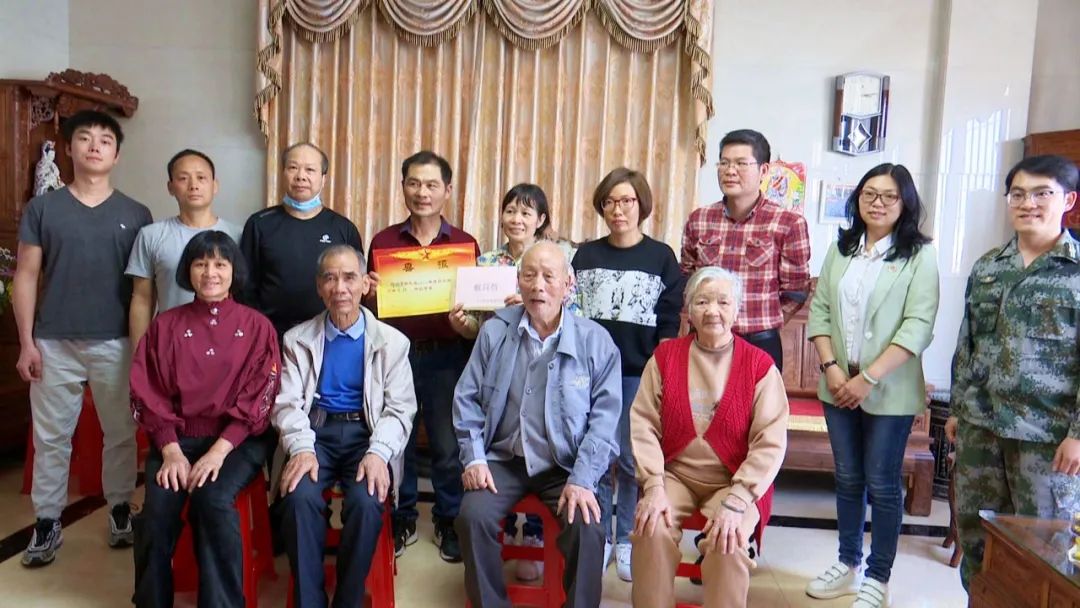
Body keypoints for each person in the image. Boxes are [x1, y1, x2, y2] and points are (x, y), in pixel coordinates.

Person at [14, 109, 153, 567]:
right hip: (53, 340)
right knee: (52, 437)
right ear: (69, 148)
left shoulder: (136, 213)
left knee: (121, 432)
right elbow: (26, 276)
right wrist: (27, 342)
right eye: (85, 138)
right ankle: (47, 521)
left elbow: (143, 289)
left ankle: (119, 509)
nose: (95, 146)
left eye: (105, 140)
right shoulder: (43, 209)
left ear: (116, 155)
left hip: (116, 342)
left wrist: (142, 348)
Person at [453, 241, 621, 607]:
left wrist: (583, 478)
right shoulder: (495, 331)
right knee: (472, 517)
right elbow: (466, 398)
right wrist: (474, 458)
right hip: (504, 459)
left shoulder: (596, 341)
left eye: (548, 276)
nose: (538, 286)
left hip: (565, 465)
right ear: (518, 281)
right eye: (529, 275)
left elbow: (606, 422)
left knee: (588, 527)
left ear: (568, 285)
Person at [804, 164, 940, 608]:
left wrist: (868, 378)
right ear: (857, 198)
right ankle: (848, 564)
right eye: (869, 193)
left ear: (905, 203)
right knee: (847, 478)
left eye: (889, 195)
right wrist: (832, 368)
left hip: (889, 388)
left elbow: (917, 327)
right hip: (838, 383)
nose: (877, 202)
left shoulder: (919, 256)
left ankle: (878, 578)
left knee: (881, 482)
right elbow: (820, 310)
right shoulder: (841, 249)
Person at [947, 154, 1080, 590]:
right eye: (1018, 194)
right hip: (981, 427)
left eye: (1042, 193)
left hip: (1047, 438)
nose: (1028, 203)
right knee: (976, 535)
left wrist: (1078, 435)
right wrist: (958, 409)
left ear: (1068, 200)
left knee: (1042, 547)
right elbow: (967, 344)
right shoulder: (989, 267)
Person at [130, 231, 280, 607]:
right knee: (156, 512)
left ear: (234, 270)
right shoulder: (164, 326)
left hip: (237, 442)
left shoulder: (257, 327)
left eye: (219, 264)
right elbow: (148, 390)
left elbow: (259, 397)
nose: (210, 273)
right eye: (200, 263)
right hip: (175, 439)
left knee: (211, 500)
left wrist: (216, 453)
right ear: (188, 271)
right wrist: (171, 451)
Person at [630, 266, 788, 608]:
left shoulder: (759, 366)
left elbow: (771, 441)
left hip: (734, 481)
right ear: (689, 310)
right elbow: (643, 423)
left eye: (722, 302)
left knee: (728, 540)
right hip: (675, 475)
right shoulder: (665, 357)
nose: (712, 311)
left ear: (736, 309)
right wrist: (653, 485)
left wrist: (738, 500)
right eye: (702, 302)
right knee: (650, 527)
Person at [272, 245, 417, 608]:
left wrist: (379, 452)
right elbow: (286, 403)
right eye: (330, 278)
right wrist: (301, 447)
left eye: (350, 277)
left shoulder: (393, 343)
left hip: (367, 435)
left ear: (366, 284)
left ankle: (348, 600)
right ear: (319, 287)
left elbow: (400, 409)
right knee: (298, 498)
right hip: (314, 434)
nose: (340, 288)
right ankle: (310, 601)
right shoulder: (297, 339)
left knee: (367, 501)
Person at [453, 182, 578, 581]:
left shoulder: (560, 259)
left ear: (541, 219)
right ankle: (509, 541)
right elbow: (476, 326)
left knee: (540, 441)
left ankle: (534, 544)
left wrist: (530, 304)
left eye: (526, 212)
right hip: (496, 365)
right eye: (510, 210)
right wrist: (462, 323)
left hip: (548, 365)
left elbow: (574, 317)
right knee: (503, 446)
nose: (516, 219)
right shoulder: (487, 261)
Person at [366, 150, 480, 561]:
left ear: (447, 190)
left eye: (432, 185)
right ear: (403, 188)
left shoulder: (465, 244)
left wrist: (465, 321)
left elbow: (477, 314)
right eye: (414, 183)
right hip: (394, 358)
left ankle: (448, 518)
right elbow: (371, 312)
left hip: (448, 357)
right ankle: (403, 516)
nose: (422, 192)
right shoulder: (383, 243)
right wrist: (370, 295)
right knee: (399, 440)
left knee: (448, 445)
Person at [572, 167, 683, 581]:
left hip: (640, 371)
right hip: (592, 374)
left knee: (635, 459)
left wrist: (662, 368)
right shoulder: (586, 255)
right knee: (597, 455)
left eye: (627, 201)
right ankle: (601, 535)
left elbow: (669, 319)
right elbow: (573, 313)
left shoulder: (661, 256)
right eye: (610, 202)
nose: (618, 210)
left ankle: (627, 539)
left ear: (641, 205)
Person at [680, 129, 811, 369]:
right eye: (724, 163)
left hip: (758, 343)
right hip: (703, 339)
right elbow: (687, 278)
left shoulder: (788, 223)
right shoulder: (699, 219)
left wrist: (765, 320)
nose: (730, 171)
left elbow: (797, 290)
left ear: (763, 170)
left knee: (759, 396)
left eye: (741, 163)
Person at [240, 142, 363, 338]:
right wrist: (260, 331)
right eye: (293, 167)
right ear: (283, 173)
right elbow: (244, 287)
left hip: (329, 335)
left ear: (323, 178)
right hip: (271, 334)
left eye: (310, 170)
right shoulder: (259, 224)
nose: (301, 176)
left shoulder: (343, 228)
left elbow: (355, 283)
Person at [127, 149, 241, 346]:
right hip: (171, 342)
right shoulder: (151, 235)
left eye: (201, 178)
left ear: (215, 185)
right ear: (170, 187)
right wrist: (140, 352)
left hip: (227, 342)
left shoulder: (237, 235)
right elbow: (142, 299)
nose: (193, 185)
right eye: (183, 178)